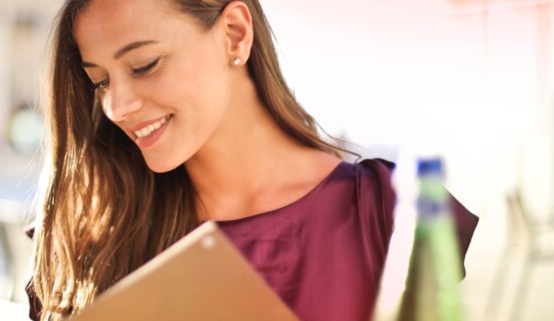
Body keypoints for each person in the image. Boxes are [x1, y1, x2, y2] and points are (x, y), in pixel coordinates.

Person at [26, 1, 479, 320]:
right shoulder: (90, 237)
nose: (117, 106)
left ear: (235, 34)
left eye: (144, 65)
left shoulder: (393, 212)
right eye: (100, 82)